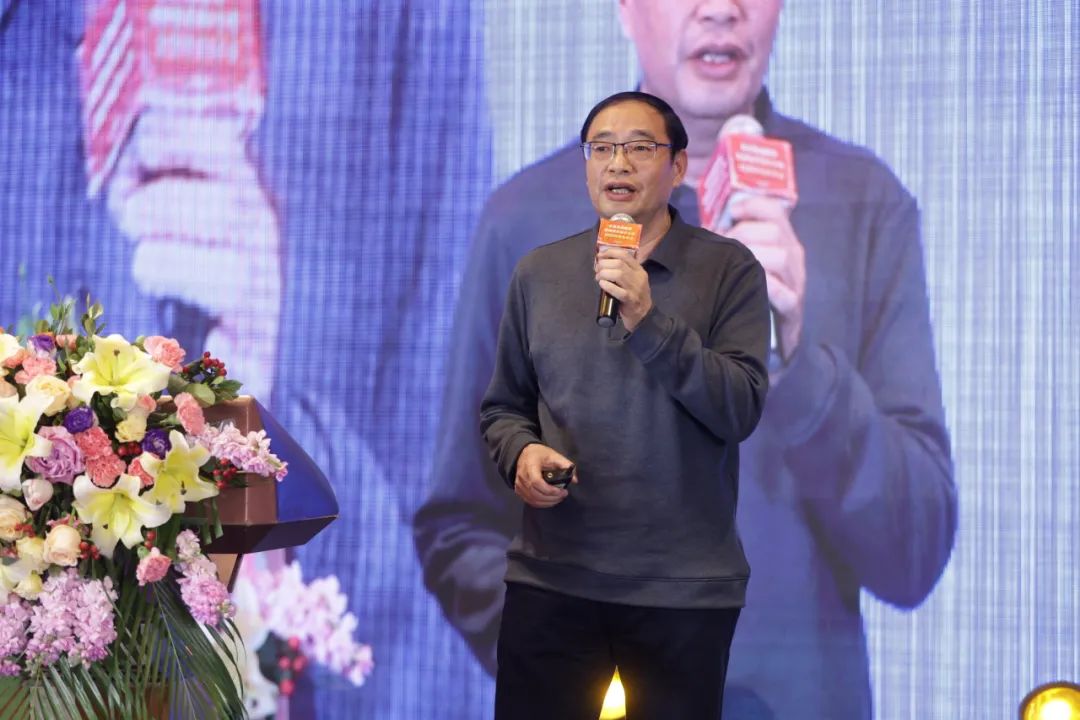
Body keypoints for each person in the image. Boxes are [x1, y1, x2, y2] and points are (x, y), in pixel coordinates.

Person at [414, 1, 958, 717]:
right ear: (626, 9)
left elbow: (914, 555)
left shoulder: (862, 204)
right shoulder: (527, 219)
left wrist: (797, 366)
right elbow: (459, 525)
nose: (720, 9)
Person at [483, 91, 770, 719]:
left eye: (640, 147)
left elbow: (741, 407)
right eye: (603, 149)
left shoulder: (729, 270)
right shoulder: (539, 272)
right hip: (552, 579)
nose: (619, 163)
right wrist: (522, 454)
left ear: (678, 166)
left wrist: (648, 319)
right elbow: (503, 409)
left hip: (681, 590)